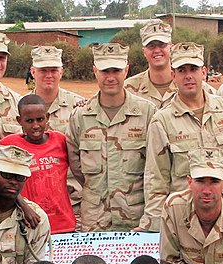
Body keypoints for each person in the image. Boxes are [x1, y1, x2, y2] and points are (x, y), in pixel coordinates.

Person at [142, 42, 223, 232]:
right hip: (185, 221)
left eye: (194, 69)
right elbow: (156, 180)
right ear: (173, 75)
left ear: (204, 72)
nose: (188, 75)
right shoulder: (162, 120)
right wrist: (156, 228)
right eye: (182, 70)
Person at [66, 43, 156, 232]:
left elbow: (156, 168)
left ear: (126, 70)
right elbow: (77, 167)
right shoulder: (80, 116)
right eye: (105, 71)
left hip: (136, 217)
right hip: (95, 219)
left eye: (116, 70)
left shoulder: (147, 113)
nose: (110, 77)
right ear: (95, 71)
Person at [0, 94, 76, 233]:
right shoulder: (9, 145)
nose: (35, 125)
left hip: (63, 224)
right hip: (29, 223)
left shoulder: (60, 141)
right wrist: (24, 206)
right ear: (19, 120)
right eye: (29, 121)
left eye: (40, 119)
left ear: (47, 117)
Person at [29, 45, 86, 216]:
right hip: (31, 204)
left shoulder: (79, 106)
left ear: (61, 72)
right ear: (33, 72)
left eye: (53, 70)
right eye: (43, 70)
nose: (48, 75)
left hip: (73, 200)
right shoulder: (18, 107)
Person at [124, 20, 215, 109]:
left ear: (171, 47)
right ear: (144, 51)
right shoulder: (128, 89)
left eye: (162, 44)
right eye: (151, 46)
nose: (157, 50)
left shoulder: (200, 89)